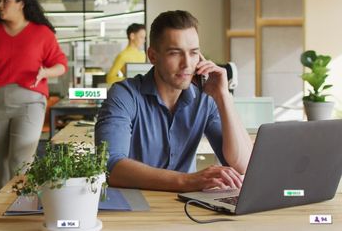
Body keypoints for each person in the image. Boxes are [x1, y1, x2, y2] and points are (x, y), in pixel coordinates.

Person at [95, 10, 253, 192]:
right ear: (153, 56)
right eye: (175, 53)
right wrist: (187, 181)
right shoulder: (124, 95)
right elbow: (110, 166)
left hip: (189, 209)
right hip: (136, 209)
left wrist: (224, 97)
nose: (187, 64)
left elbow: (244, 166)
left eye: (193, 53)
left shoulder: (205, 99)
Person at [0, 0, 68, 193]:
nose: (0, 5)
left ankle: (21, 212)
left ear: (21, 3)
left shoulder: (42, 33)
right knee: (0, 165)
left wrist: (46, 72)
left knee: (20, 161)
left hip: (30, 102)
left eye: (6, 0)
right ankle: (1, 219)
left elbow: (61, 65)